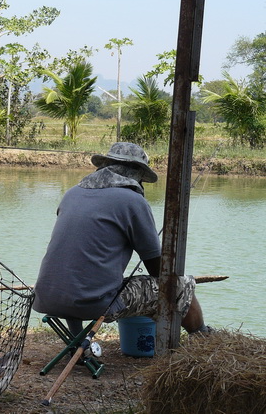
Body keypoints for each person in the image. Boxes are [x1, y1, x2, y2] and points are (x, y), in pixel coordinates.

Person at [33, 142, 211, 337]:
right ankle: (203, 337)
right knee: (180, 285)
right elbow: (157, 268)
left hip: (47, 297)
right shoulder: (133, 201)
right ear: (136, 174)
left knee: (77, 281)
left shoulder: (71, 194)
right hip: (94, 303)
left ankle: (77, 341)